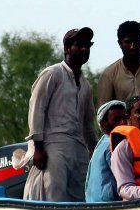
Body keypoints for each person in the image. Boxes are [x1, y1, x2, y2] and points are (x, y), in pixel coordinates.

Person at [23, 27, 99, 201]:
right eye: (79, 45)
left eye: (88, 46)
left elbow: (88, 124)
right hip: (53, 142)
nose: (84, 49)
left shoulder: (85, 85)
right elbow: (36, 108)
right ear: (67, 49)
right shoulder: (53, 74)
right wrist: (39, 147)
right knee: (54, 191)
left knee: (82, 191)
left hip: (78, 145)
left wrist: (95, 151)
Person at [84, 100, 128, 203]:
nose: (123, 122)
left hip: (93, 202)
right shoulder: (113, 144)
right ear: (104, 124)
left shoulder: (103, 140)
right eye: (116, 119)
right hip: (108, 203)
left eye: (124, 118)